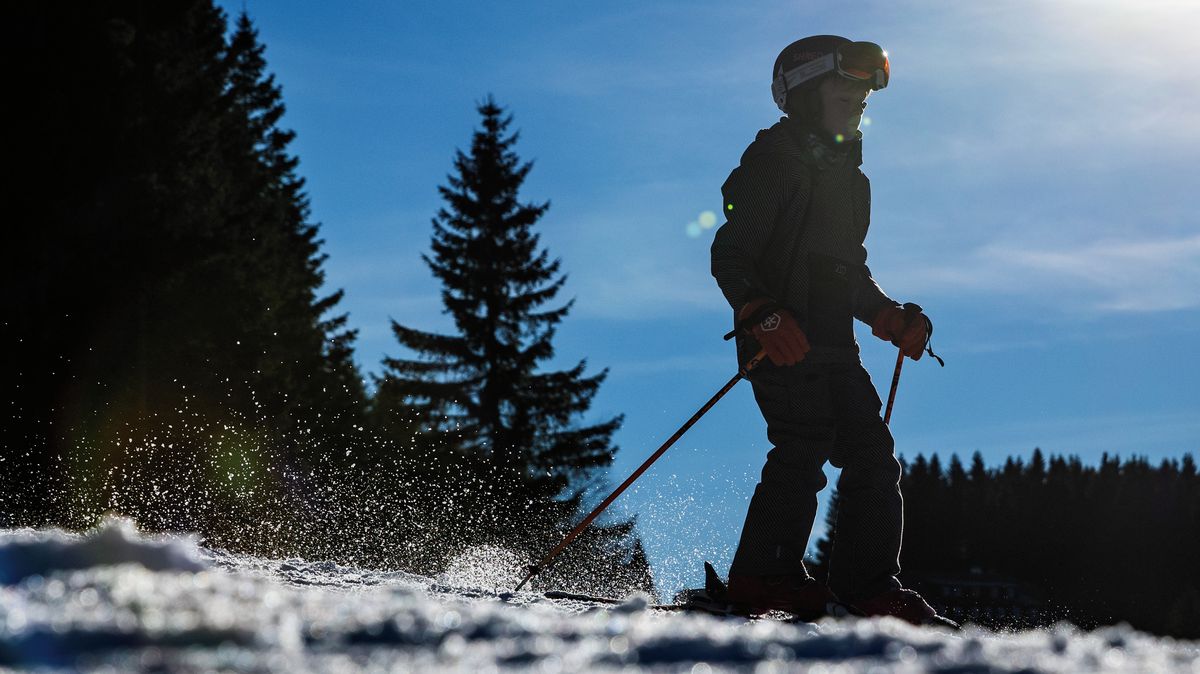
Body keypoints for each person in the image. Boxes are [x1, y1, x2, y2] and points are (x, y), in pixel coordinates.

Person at [709, 35, 947, 626]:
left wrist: (887, 315)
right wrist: (761, 314)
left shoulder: (850, 182)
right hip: (780, 342)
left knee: (872, 453)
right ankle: (763, 576)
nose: (858, 104)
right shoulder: (773, 167)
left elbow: (847, 272)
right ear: (806, 95)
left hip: (836, 342)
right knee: (804, 442)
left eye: (863, 98)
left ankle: (867, 588)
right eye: (846, 93)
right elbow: (731, 253)